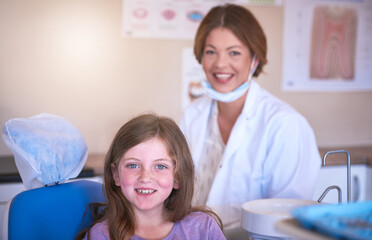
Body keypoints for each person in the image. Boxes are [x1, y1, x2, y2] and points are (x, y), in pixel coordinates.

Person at [180, 3, 321, 232]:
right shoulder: (192, 116)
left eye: (234, 52)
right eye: (211, 51)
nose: (220, 64)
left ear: (254, 59)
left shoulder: (284, 124)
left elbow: (286, 219)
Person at [76, 113, 226, 240]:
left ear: (178, 177)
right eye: (133, 165)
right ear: (116, 174)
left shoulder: (204, 229)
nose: (145, 177)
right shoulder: (101, 235)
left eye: (160, 166)